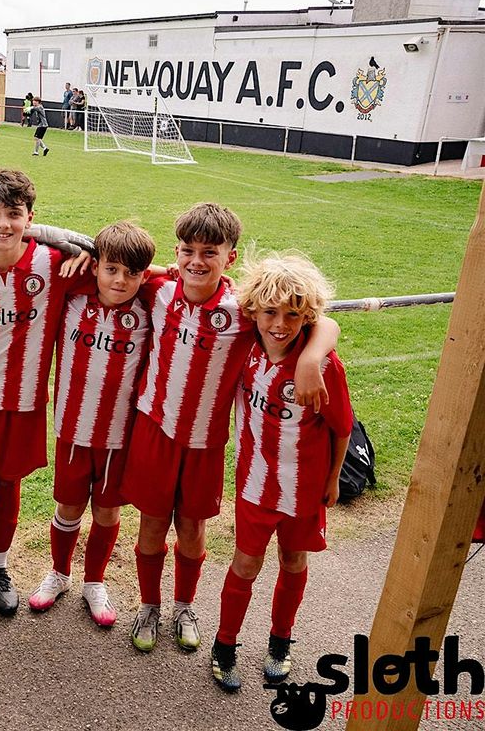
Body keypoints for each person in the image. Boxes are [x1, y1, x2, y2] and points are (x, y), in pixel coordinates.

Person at [122, 203, 340, 655]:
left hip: (204, 442)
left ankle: (184, 606)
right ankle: (149, 606)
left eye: (209, 251)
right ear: (176, 252)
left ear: (231, 258)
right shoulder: (157, 289)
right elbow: (111, 266)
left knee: (192, 528)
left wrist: (314, 356)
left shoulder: (244, 311)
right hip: (154, 430)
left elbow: (320, 320)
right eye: (187, 251)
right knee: (151, 523)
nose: (196, 261)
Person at [0, 168, 91, 617]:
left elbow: (115, 257)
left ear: (31, 217)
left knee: (8, 484)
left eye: (15, 214)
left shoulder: (54, 264)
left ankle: (0, 567)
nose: (4, 224)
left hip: (24, 401)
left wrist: (64, 243)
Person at [210, 254, 352, 692]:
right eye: (270, 312)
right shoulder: (243, 348)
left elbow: (341, 427)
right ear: (252, 310)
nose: (280, 324)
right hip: (254, 484)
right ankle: (224, 645)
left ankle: (280, 641)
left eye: (293, 315)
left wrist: (332, 480)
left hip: (303, 489)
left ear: (306, 317)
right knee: (246, 564)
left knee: (293, 561)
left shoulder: (322, 366)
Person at [29, 222, 156, 626]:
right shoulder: (73, 294)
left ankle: (94, 582)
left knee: (106, 512)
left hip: (119, 436)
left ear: (144, 275)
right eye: (111, 269)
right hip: (72, 428)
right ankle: (59, 574)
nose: (120, 281)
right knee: (67, 506)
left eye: (132, 273)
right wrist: (82, 246)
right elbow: (32, 234)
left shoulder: (150, 306)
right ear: (96, 266)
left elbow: (176, 279)